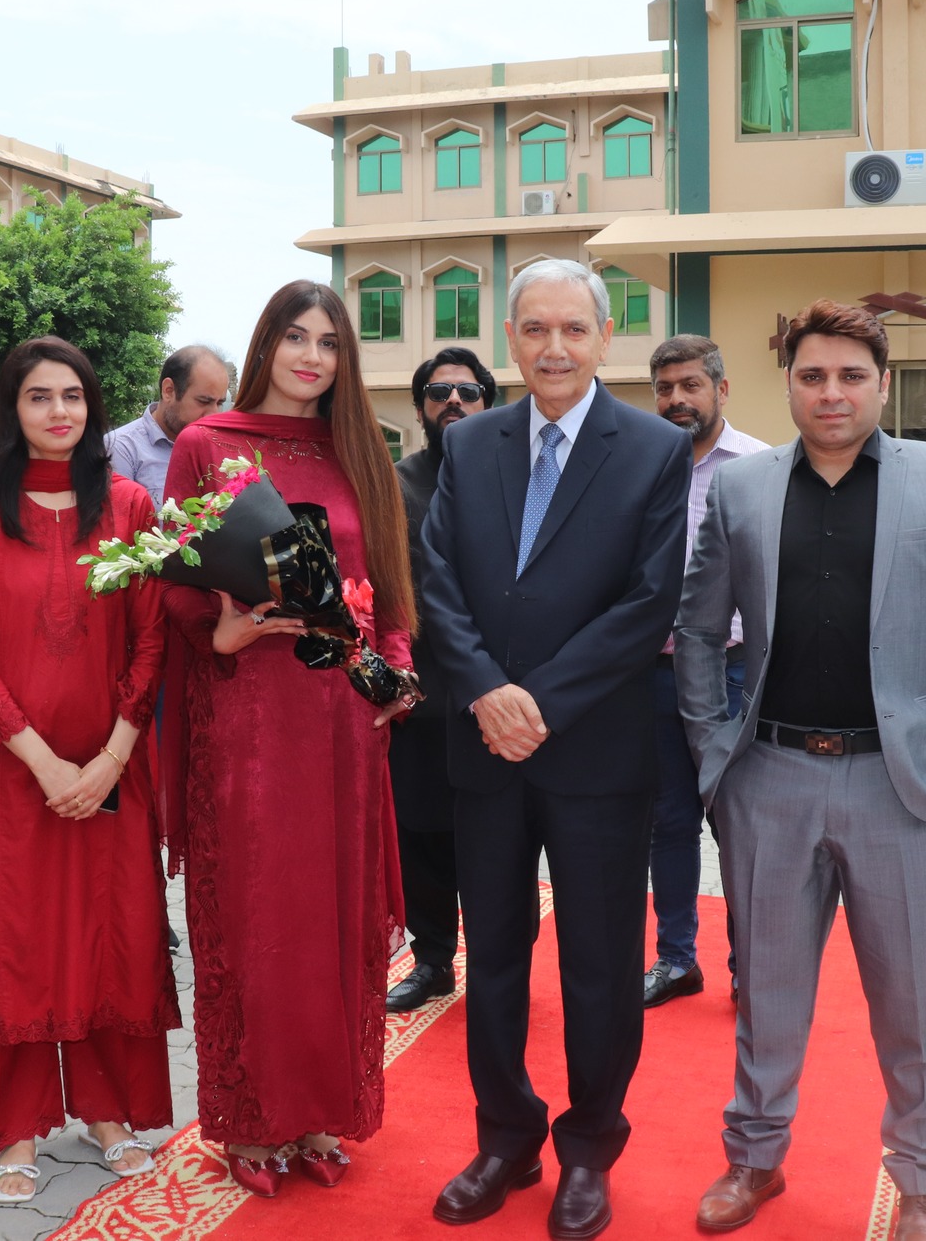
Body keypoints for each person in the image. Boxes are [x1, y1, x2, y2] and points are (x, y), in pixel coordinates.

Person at [673, 299, 926, 1240]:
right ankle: (754, 1159)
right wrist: (714, 753)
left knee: (908, 1003)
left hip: (902, 789)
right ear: (788, 383)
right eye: (812, 375)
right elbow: (698, 631)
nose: (832, 392)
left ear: (882, 383)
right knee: (767, 993)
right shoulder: (742, 489)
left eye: (851, 376)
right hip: (769, 777)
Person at [418, 258, 691, 1241]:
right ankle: (505, 1137)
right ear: (510, 337)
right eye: (535, 329)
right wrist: (486, 691)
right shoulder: (470, 442)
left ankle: (588, 1148)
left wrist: (537, 700)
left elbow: (648, 602)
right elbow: (436, 577)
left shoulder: (654, 448)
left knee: (598, 966)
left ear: (604, 336)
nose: (554, 348)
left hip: (595, 756)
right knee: (492, 954)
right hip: (485, 751)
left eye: (573, 329)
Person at [158, 280, 415, 1197]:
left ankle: (317, 1112)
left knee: (333, 917)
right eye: (296, 337)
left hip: (341, 716)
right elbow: (174, 575)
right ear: (266, 343)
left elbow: (387, 577)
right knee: (258, 914)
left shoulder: (359, 450)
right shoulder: (207, 444)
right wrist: (215, 631)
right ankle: (251, 1120)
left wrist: (395, 671)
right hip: (248, 716)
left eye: (330, 342)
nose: (312, 356)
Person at [0, 337, 177, 1204]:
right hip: (8, 769)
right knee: (12, 940)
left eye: (72, 395)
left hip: (112, 766)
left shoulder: (130, 504)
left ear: (92, 405)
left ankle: (108, 1112)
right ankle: (15, 1124)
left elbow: (152, 637)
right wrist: (42, 761)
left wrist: (111, 756)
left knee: (112, 933)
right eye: (39, 396)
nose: (59, 411)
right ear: (12, 409)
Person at [642, 335, 769, 1010]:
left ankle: (750, 966)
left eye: (690, 385)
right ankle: (675, 959)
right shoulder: (641, 466)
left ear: (721, 389)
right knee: (668, 820)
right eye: (665, 388)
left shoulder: (759, 468)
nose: (676, 400)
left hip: (735, 673)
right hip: (657, 671)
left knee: (738, 820)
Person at [386, 347, 497, 1015]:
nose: (453, 401)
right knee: (420, 833)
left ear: (488, 401)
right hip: (421, 692)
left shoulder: (517, 476)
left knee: (495, 836)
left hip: (498, 692)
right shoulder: (394, 483)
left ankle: (497, 963)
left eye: (468, 391)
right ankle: (432, 961)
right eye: (438, 392)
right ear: (421, 407)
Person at [105, 344, 235, 500]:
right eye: (203, 401)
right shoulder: (120, 448)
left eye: (219, 403)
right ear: (168, 391)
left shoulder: (217, 450)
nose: (213, 415)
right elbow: (119, 513)